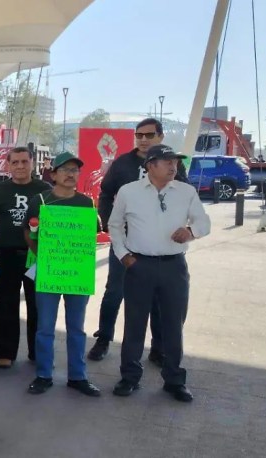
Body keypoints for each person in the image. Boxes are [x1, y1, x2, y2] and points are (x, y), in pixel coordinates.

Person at [109, 145, 210, 403]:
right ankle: (130, 377)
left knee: (173, 324)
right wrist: (123, 254)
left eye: (175, 162)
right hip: (139, 265)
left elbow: (204, 222)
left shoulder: (186, 191)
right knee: (135, 323)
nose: (173, 166)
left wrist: (191, 232)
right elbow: (115, 224)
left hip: (174, 266)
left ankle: (174, 380)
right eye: (167, 162)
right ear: (150, 165)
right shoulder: (129, 191)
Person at [88, 118, 188, 363]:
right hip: (126, 242)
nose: (143, 139)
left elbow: (185, 197)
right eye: (139, 135)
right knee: (115, 291)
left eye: (149, 135)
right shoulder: (122, 164)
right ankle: (103, 339)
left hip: (160, 244)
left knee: (158, 297)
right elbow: (106, 194)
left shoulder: (173, 164)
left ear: (160, 137)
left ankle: (158, 347)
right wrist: (110, 224)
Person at [23, 152, 101, 397]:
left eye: (75, 170)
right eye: (65, 169)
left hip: (76, 274)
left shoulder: (86, 203)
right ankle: (43, 375)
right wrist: (44, 256)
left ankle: (78, 376)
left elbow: (91, 236)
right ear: (53, 174)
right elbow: (28, 232)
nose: (70, 174)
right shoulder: (40, 201)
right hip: (49, 272)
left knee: (76, 328)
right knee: (45, 327)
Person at [0, 146, 52, 368]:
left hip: (36, 256)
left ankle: (38, 352)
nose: (20, 166)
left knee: (38, 306)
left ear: (32, 163)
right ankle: (4, 352)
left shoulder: (45, 190)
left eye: (24, 161)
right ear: (8, 165)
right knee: (5, 305)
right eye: (15, 162)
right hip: (6, 254)